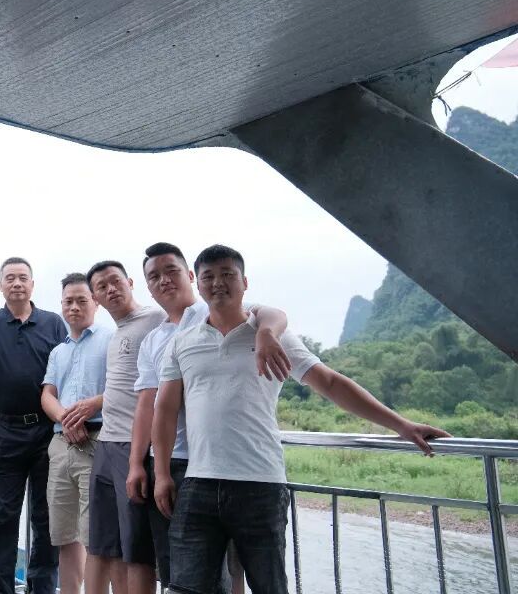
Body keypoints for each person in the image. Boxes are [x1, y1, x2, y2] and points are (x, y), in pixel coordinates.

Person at [153, 244, 450, 594]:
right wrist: (162, 474)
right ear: (199, 284)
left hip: (260, 483)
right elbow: (165, 410)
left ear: (244, 282)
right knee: (186, 587)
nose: (218, 283)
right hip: (199, 483)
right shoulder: (182, 343)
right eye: (209, 276)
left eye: (227, 274)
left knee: (269, 586)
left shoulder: (274, 337)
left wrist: (401, 424)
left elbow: (330, 383)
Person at [129, 243, 290, 593]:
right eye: (154, 276)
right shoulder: (158, 339)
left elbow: (271, 313)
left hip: (244, 473)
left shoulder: (221, 310)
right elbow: (154, 406)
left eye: (171, 271)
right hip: (185, 472)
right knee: (184, 575)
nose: (163, 280)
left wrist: (267, 331)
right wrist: (146, 467)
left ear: (190, 277)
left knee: (247, 573)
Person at [0, 257, 66, 594]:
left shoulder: (53, 323)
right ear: (1, 285)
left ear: (32, 284)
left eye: (23, 277)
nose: (17, 283)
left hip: (46, 432)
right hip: (6, 431)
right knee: (4, 515)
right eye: (10, 278)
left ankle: (43, 587)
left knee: (45, 517)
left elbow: (67, 370)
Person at [84, 261, 165, 594]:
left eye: (115, 281)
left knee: (137, 547)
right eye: (101, 286)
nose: (111, 289)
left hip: (134, 445)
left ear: (130, 282)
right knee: (107, 544)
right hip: (106, 442)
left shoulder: (156, 318)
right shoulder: (117, 333)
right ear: (96, 297)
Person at [39, 273, 111, 594]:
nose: (75, 307)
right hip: (60, 444)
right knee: (64, 534)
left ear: (95, 302)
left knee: (95, 533)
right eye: (68, 301)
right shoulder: (59, 351)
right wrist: (65, 419)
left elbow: (124, 388)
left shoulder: (111, 339)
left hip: (98, 441)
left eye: (82, 300)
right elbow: (48, 394)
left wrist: (91, 407)